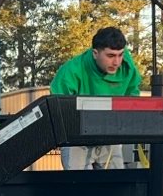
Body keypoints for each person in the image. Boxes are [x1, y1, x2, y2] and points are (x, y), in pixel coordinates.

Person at [49, 26, 144, 169]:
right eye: (110, 56)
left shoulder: (128, 69)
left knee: (117, 183)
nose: (117, 62)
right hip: (77, 138)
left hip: (110, 134)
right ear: (95, 53)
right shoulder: (70, 72)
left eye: (120, 55)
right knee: (78, 185)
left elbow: (133, 99)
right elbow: (59, 109)